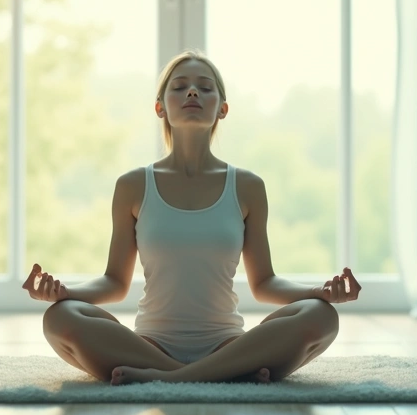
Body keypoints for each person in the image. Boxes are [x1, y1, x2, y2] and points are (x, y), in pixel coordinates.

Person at [22, 49, 362, 385]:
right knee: (59, 318)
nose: (193, 91)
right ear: (160, 107)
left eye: (205, 86)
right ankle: (222, 376)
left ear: (222, 109)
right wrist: (64, 294)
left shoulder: (248, 187)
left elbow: (264, 284)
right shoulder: (132, 186)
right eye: (179, 85)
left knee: (321, 316)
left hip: (227, 343)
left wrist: (320, 292)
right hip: (149, 345)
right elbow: (115, 282)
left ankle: (172, 378)